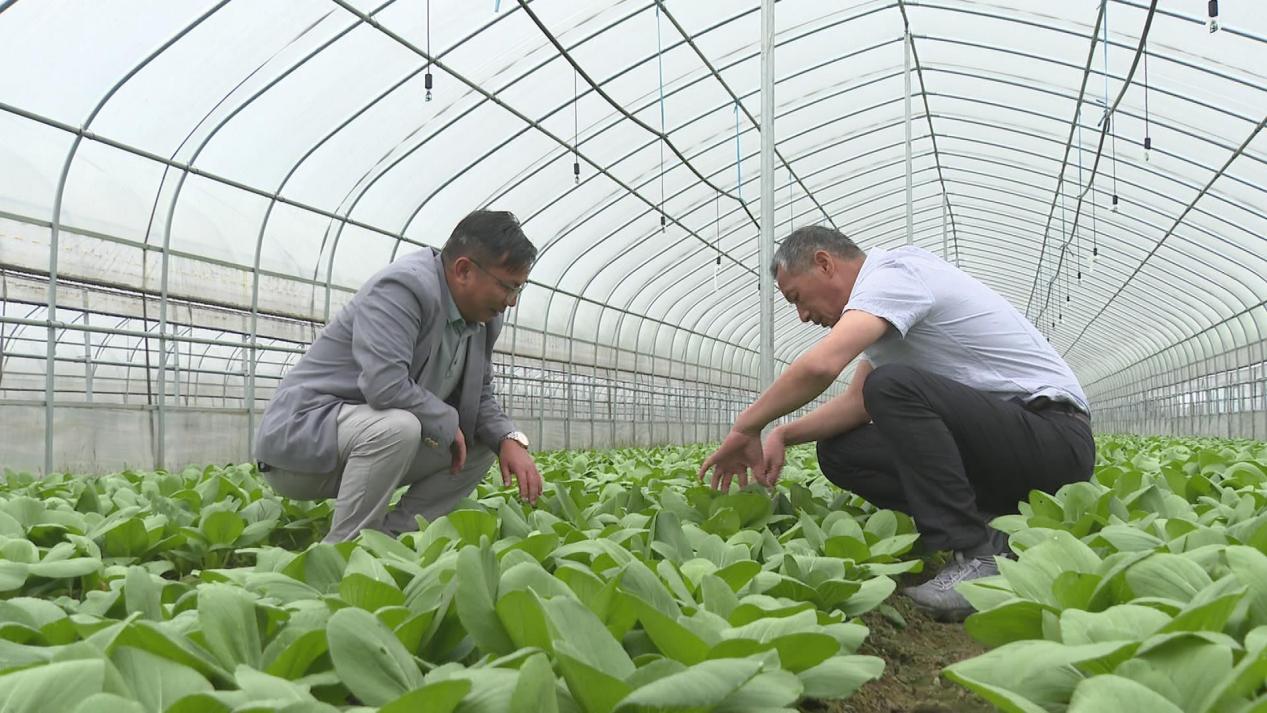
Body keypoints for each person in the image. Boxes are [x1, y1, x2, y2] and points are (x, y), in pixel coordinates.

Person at [699, 225, 1094, 621]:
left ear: (824, 263)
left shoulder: (894, 276)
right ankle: (994, 525)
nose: (802, 316)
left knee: (891, 386)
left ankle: (976, 555)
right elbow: (856, 404)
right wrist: (783, 433)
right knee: (841, 450)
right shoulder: (884, 317)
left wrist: (745, 426)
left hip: (1054, 437)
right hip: (1011, 447)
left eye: (797, 298)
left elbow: (822, 366)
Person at [254, 210, 543, 542]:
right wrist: (447, 419)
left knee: (483, 441)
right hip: (302, 443)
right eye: (508, 286)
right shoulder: (404, 287)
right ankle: (343, 552)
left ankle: (389, 542)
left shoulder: (482, 318)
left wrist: (509, 438)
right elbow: (384, 385)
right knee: (399, 426)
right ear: (464, 270)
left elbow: (479, 397)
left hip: (367, 442)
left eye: (519, 288)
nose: (512, 302)